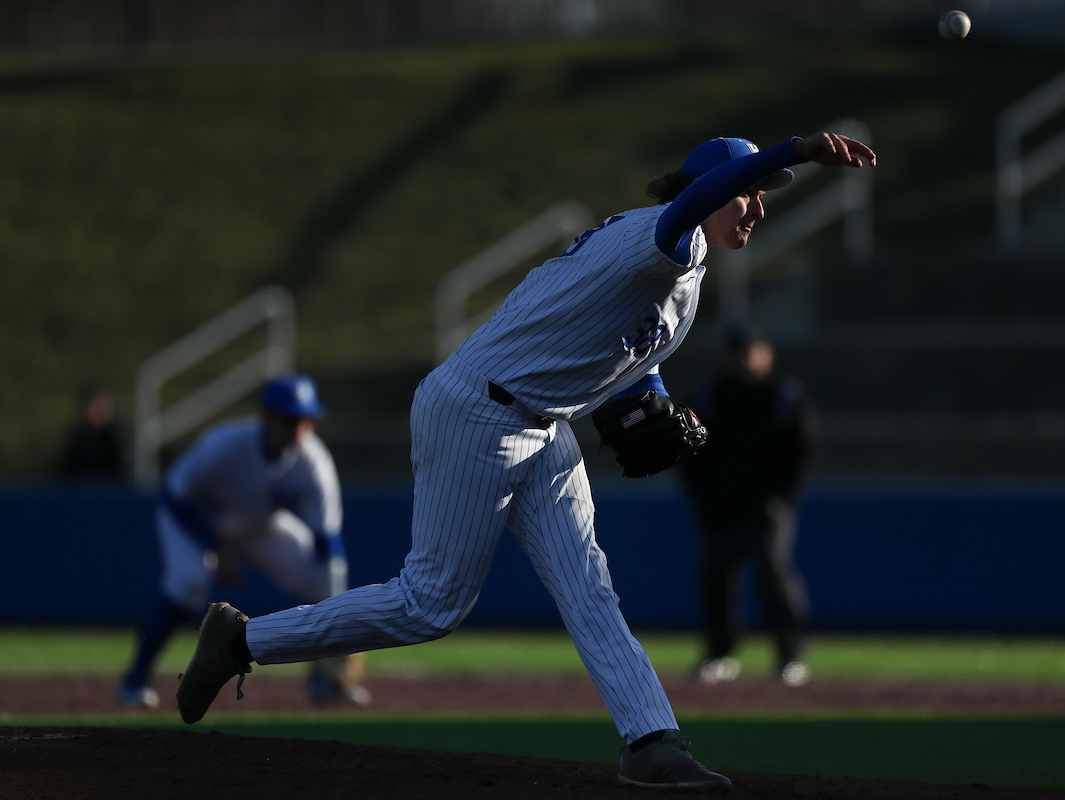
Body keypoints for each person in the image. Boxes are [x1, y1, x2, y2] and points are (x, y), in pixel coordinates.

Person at [174, 131, 875, 789]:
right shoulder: (663, 233)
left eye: (764, 193)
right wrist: (800, 149)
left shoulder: (686, 277)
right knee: (430, 605)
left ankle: (652, 741)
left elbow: (632, 358)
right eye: (748, 190)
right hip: (476, 411)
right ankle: (241, 640)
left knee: (588, 583)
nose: (757, 205)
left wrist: (660, 405)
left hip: (544, 427)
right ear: (708, 187)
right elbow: (690, 206)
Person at [118, 374, 370, 710]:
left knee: (317, 578)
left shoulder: (314, 460)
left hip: (256, 523)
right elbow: (176, 496)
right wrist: (215, 546)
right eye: (290, 418)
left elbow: (328, 542)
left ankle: (323, 680)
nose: (299, 427)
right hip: (196, 519)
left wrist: (339, 618)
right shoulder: (225, 445)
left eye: (306, 419)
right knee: (188, 580)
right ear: (266, 417)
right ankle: (134, 681)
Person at [681, 323, 814, 688]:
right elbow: (690, 450)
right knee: (715, 580)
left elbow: (800, 453)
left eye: (752, 351)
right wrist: (699, 496)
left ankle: (791, 655)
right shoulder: (709, 394)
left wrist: (782, 499)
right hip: (720, 507)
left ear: (766, 353)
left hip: (766, 509)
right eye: (738, 353)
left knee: (772, 573)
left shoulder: (783, 395)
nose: (745, 360)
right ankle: (720, 653)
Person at [57, 384, 126, 479]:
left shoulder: (118, 439)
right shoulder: (76, 440)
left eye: (102, 406)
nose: (99, 411)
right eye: (94, 407)